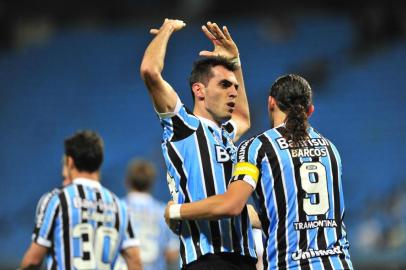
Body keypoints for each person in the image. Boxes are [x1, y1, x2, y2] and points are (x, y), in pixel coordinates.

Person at [165, 74, 354, 269]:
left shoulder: (258, 147)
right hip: (339, 263)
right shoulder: (331, 150)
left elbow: (232, 205)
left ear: (271, 102)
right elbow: (286, 212)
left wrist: (176, 210)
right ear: (310, 110)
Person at [140, 19, 256, 269]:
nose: (234, 91)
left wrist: (235, 62)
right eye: (224, 85)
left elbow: (244, 119)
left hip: (244, 258)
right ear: (199, 90)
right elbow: (150, 71)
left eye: (235, 86)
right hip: (207, 259)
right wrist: (167, 29)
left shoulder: (225, 133)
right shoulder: (183, 126)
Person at [20, 130, 142, 270]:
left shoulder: (56, 201)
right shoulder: (120, 207)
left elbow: (33, 261)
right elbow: (135, 260)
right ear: (99, 162)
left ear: (70, 161)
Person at [114, 159, 179, 270]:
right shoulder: (164, 211)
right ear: (151, 183)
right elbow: (172, 253)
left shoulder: (117, 209)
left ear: (127, 181)